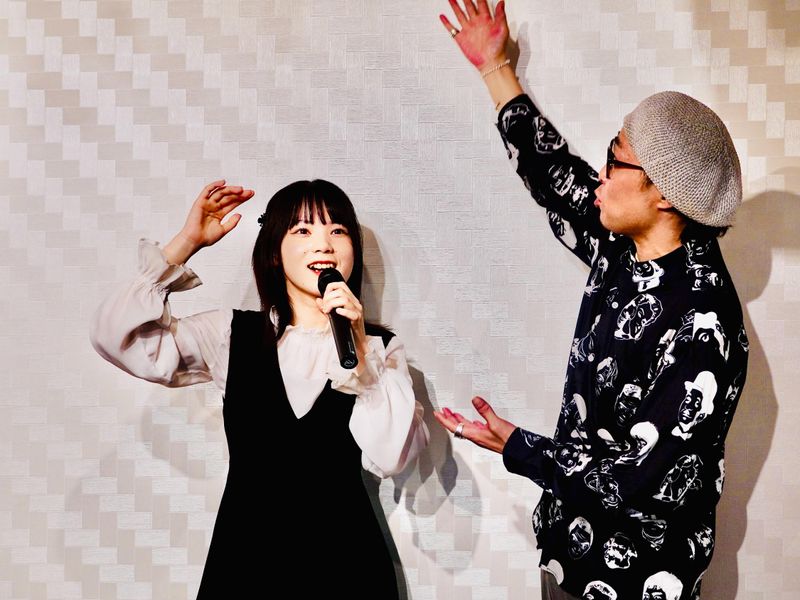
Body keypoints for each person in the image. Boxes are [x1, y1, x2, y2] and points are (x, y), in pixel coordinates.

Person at [433, 2, 748, 599]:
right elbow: (554, 175)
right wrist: (495, 68)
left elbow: (638, 480)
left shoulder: (704, 322)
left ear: (665, 193)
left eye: (614, 156)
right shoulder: (622, 245)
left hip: (637, 579)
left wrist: (516, 447)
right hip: (568, 554)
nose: (599, 175)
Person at [89, 179, 429, 598]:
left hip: (347, 567)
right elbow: (115, 337)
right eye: (302, 230)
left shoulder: (378, 349)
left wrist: (360, 349)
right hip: (244, 563)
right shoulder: (230, 334)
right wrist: (185, 244)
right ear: (274, 250)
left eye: (337, 230)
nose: (323, 244)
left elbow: (393, 455)